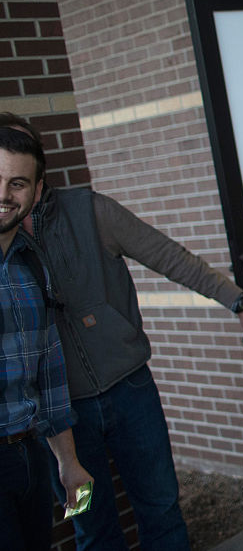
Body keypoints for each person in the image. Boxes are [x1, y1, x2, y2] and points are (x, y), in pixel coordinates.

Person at [0, 112, 243, 551]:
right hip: (61, 420)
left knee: (161, 508)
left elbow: (167, 255)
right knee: (90, 528)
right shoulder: (10, 251)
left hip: (131, 391)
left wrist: (236, 300)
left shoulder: (90, 210)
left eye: (21, 171)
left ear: (38, 176)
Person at [0, 128, 92, 550]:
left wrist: (68, 462)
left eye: (17, 183)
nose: (4, 194)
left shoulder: (32, 261)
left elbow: (50, 369)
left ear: (36, 192)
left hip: (31, 454)